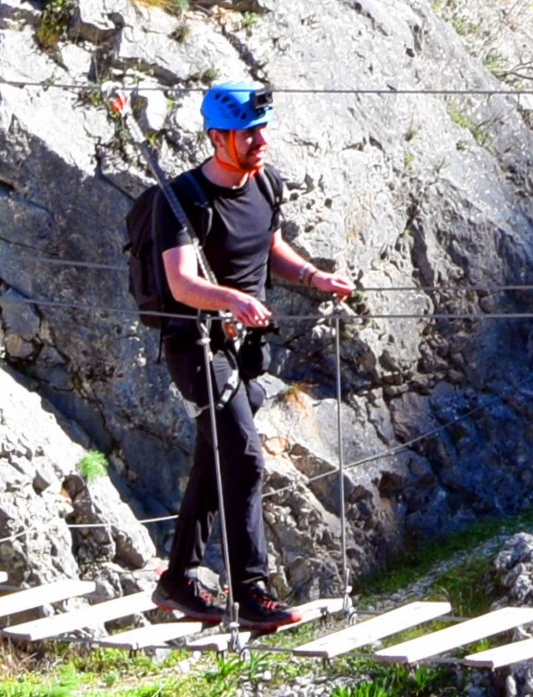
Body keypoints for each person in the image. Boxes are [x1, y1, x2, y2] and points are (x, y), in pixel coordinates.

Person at [150, 81, 355, 629]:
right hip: (195, 346)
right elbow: (180, 283)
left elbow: (268, 246)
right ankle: (253, 594)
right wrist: (232, 301)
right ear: (218, 138)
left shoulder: (265, 183)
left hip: (245, 350)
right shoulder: (182, 200)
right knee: (243, 457)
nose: (259, 140)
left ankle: (179, 579)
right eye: (247, 133)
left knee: (216, 457)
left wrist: (312, 276)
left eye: (261, 129)